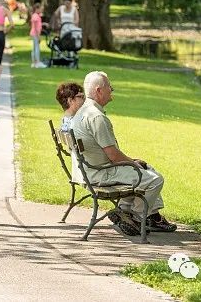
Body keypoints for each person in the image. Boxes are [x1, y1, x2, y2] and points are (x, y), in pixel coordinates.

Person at [71, 71, 177, 236]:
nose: (112, 90)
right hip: (99, 173)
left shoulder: (84, 111)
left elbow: (110, 154)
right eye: (109, 87)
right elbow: (113, 155)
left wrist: (133, 161)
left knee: (145, 168)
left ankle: (126, 211)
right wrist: (132, 163)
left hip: (88, 170)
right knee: (155, 179)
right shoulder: (96, 117)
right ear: (99, 90)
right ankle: (136, 218)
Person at [30, 3, 46, 68]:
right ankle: (37, 62)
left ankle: (34, 62)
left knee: (34, 47)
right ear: (37, 9)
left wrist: (44, 24)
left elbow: (38, 24)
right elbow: (36, 27)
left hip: (34, 33)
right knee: (37, 48)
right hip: (35, 34)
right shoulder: (36, 16)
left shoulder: (35, 16)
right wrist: (38, 36)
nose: (41, 10)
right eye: (40, 9)